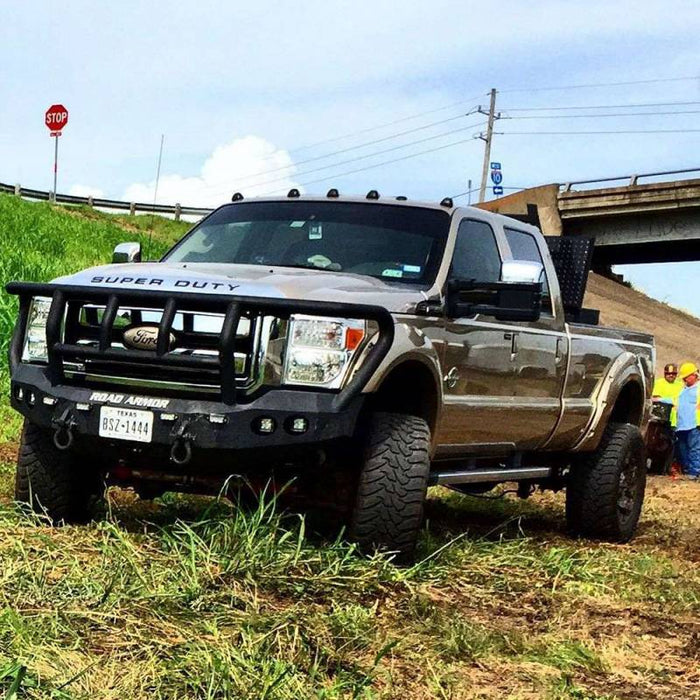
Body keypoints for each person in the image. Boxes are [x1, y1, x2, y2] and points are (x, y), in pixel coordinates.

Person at [675, 362, 700, 480]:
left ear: (694, 375)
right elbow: (674, 400)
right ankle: (687, 470)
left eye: (686, 377)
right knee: (682, 449)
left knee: (694, 448)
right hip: (681, 425)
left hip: (694, 424)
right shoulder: (683, 390)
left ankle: (694, 472)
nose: (685, 379)